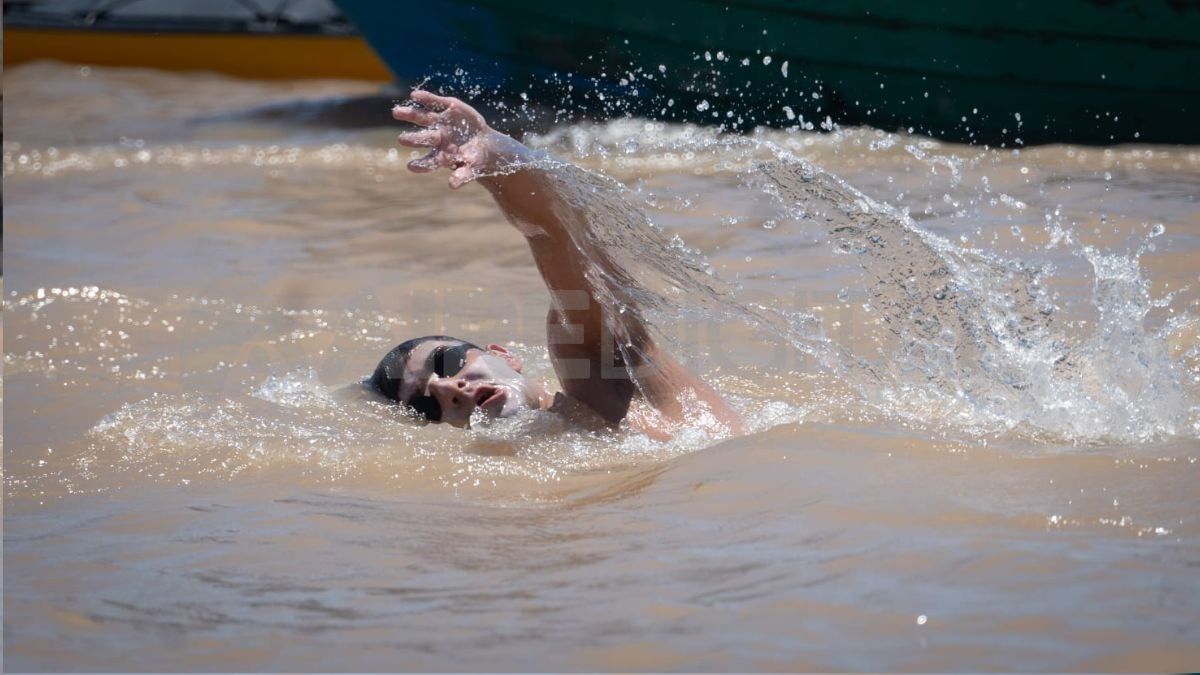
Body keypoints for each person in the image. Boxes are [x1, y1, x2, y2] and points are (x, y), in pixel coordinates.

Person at [371, 90, 742, 437]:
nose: (447, 387)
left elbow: (557, 233)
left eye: (446, 363)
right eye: (425, 406)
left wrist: (498, 156)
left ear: (505, 356)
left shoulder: (597, 374)